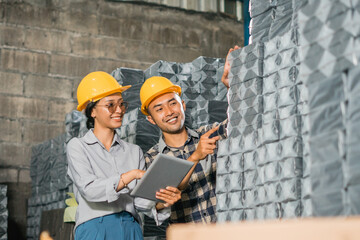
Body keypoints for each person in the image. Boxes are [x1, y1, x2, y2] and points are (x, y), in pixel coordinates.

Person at [66, 71, 181, 240]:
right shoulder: (78, 146)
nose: (119, 110)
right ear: (92, 111)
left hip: (130, 227)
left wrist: (163, 203)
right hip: (94, 227)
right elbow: (89, 190)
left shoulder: (133, 151)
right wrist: (131, 175)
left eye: (121, 104)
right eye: (110, 105)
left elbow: (140, 202)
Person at [139, 46, 240, 224]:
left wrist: (231, 87)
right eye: (159, 109)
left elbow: (239, 121)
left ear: (183, 105)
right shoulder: (152, 159)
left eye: (173, 103)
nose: (169, 112)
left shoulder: (207, 135)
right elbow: (153, 205)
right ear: (151, 120)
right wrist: (196, 156)